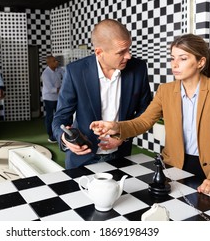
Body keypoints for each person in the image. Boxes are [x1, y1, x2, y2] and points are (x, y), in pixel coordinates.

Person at [90, 34, 210, 195]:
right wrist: (116, 127)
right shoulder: (165, 90)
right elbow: (143, 122)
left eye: (182, 58)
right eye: (172, 58)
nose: (174, 64)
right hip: (172, 166)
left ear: (201, 62)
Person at [52, 19, 152, 169]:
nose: (129, 56)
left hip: (121, 156)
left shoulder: (139, 69)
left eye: (128, 49)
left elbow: (146, 111)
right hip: (82, 159)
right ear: (99, 52)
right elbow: (60, 117)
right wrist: (64, 138)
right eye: (121, 52)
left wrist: (123, 134)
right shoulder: (75, 72)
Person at [41, 55, 64, 143]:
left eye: (56, 60)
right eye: (54, 61)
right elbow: (51, 89)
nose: (57, 62)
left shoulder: (59, 69)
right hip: (49, 98)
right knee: (50, 116)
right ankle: (51, 136)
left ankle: (59, 134)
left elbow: (65, 75)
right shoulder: (45, 74)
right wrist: (63, 89)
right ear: (49, 63)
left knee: (59, 116)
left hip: (58, 97)